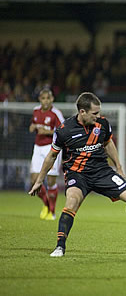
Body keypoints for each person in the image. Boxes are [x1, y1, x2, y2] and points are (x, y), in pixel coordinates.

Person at [29, 92, 126, 257]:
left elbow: (108, 143)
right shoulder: (64, 130)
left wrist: (119, 167)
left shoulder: (102, 124)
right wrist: (40, 180)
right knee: (71, 202)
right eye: (94, 113)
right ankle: (60, 247)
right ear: (82, 112)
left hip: (102, 172)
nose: (98, 116)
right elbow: (51, 156)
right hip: (77, 174)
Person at [29, 89, 64, 220]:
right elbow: (34, 123)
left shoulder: (56, 113)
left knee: (50, 181)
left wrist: (47, 132)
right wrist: (32, 127)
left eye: (48, 98)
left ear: (52, 99)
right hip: (38, 147)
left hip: (52, 148)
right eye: (43, 98)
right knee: (34, 180)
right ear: (40, 99)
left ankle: (52, 212)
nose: (45, 101)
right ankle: (47, 204)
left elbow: (63, 131)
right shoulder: (36, 111)